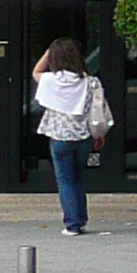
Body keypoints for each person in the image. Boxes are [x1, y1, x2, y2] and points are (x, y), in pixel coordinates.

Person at [30, 39, 112, 236]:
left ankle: (72, 224)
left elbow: (35, 72)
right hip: (83, 136)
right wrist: (99, 134)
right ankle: (80, 219)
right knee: (77, 177)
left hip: (59, 137)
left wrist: (49, 52)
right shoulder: (91, 82)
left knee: (65, 180)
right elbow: (98, 111)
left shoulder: (50, 80)